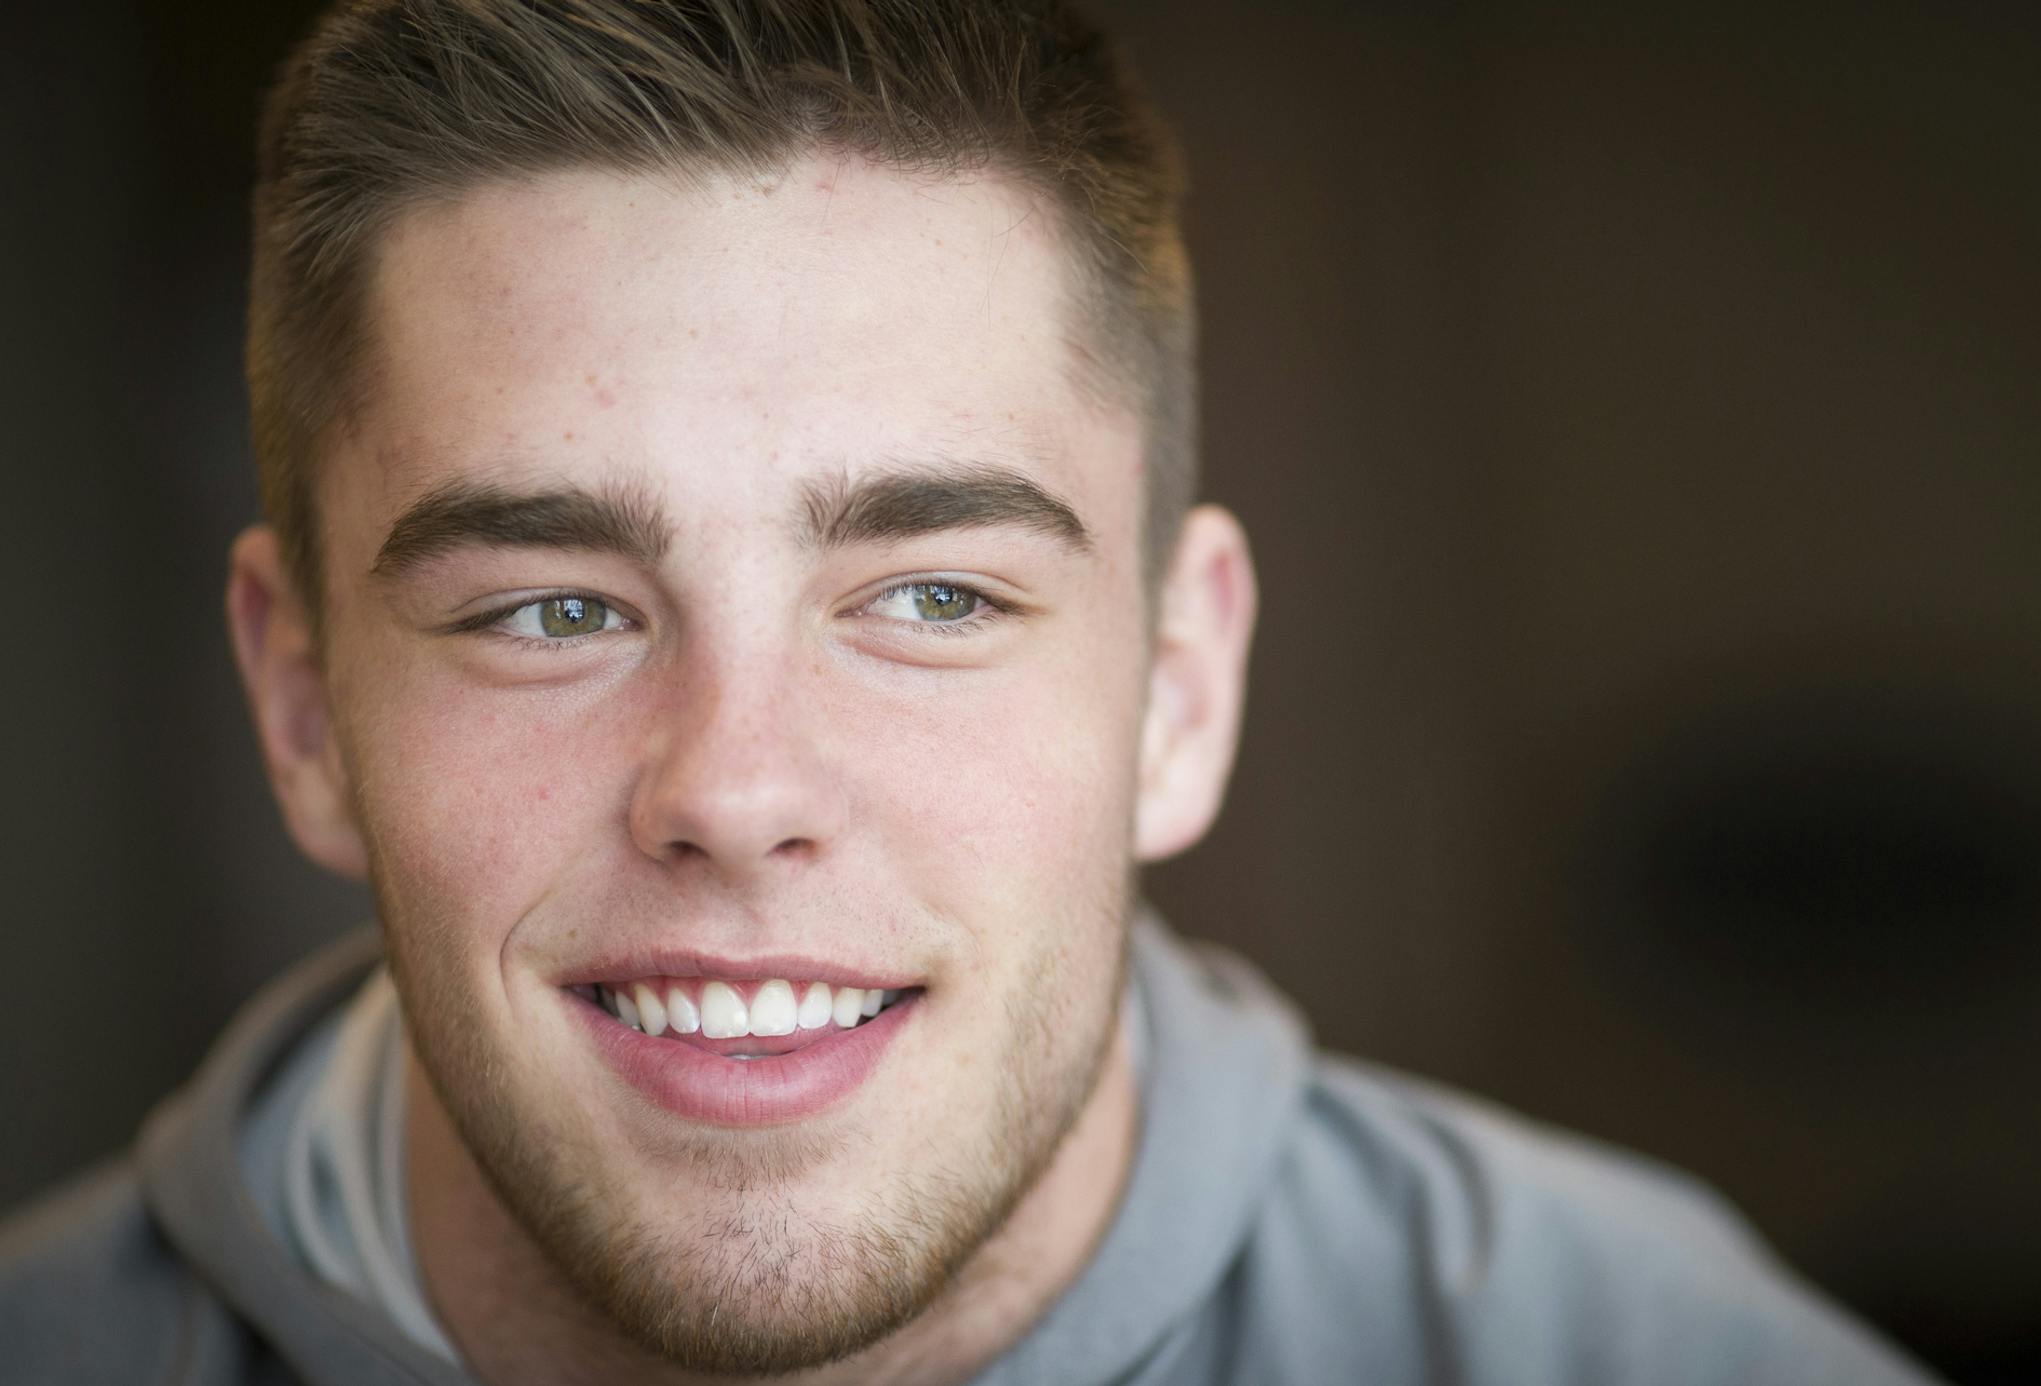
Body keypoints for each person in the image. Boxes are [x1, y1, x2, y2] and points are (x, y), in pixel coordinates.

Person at [0, 3, 1943, 1382]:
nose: (735, 786)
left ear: (1181, 687)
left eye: (929, 592)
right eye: (551, 611)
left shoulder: (1637, 1352)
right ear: (304, 706)